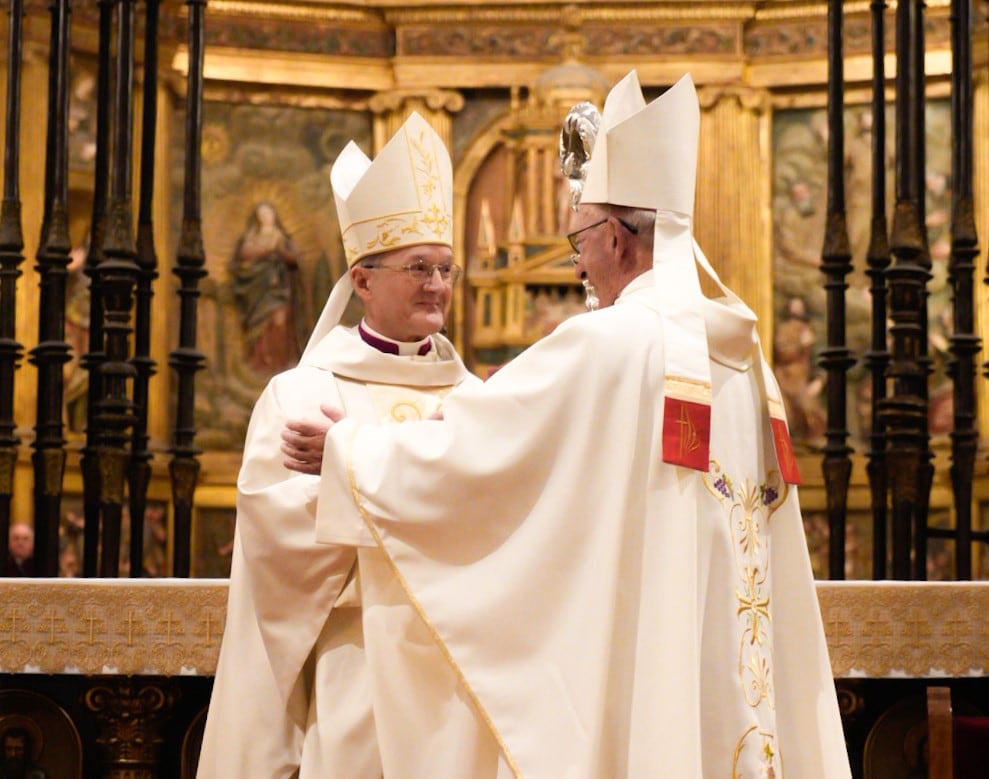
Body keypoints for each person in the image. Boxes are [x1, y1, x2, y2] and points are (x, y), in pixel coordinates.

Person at [286, 72, 851, 777]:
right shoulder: (742, 353)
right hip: (729, 654)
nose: (578, 258)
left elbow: (477, 454)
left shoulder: (609, 342)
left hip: (654, 648)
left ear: (615, 236)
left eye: (580, 236)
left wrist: (347, 452)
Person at [197, 112, 485, 778]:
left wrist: (351, 466)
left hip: (457, 668)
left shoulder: (474, 399)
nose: (437, 285)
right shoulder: (300, 394)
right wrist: (424, 485)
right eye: (418, 267)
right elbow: (278, 540)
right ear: (361, 281)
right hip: (357, 662)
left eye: (445, 268)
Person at [229, 200, 305, 376]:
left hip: (278, 289)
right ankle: (260, 364)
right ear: (257, 218)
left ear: (274, 216)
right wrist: (266, 250)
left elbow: (294, 260)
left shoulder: (281, 236)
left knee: (279, 322)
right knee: (260, 328)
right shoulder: (251, 236)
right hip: (256, 292)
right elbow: (242, 256)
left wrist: (280, 252)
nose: (265, 217)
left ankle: (280, 364)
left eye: (268, 213)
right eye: (261, 214)